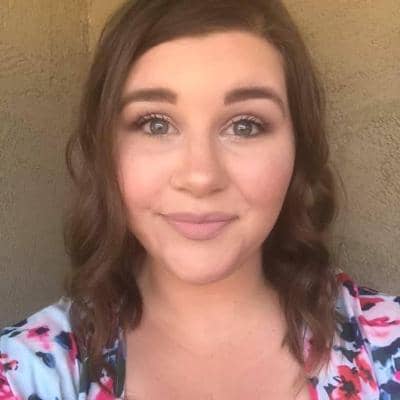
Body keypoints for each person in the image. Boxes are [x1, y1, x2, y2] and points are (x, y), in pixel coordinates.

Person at [1, 0, 399, 399]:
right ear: (104, 148)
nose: (201, 176)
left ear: (299, 148)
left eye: (245, 126)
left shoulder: (388, 346)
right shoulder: (25, 373)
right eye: (155, 124)